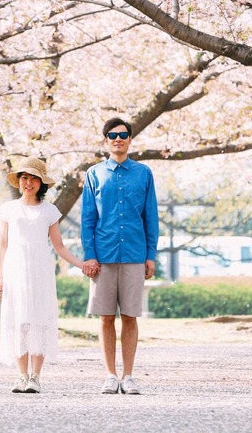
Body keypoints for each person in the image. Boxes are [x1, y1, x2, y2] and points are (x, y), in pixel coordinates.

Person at [0, 156, 90, 393]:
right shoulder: (8, 210)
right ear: (18, 181)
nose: (28, 183)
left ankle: (35, 377)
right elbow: (2, 245)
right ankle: (21, 376)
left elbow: (59, 247)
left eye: (34, 179)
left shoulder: (50, 211)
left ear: (41, 183)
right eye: (24, 178)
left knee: (38, 320)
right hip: (15, 271)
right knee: (18, 321)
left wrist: (82, 265)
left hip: (40, 271)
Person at [80, 117, 159, 395]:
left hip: (135, 253)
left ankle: (128, 375)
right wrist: (89, 255)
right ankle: (110, 375)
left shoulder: (144, 173)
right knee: (104, 317)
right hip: (103, 254)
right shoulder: (94, 174)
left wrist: (151, 254)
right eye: (112, 135)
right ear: (106, 140)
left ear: (130, 139)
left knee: (130, 316)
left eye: (123, 134)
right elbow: (88, 218)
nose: (118, 139)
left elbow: (151, 216)